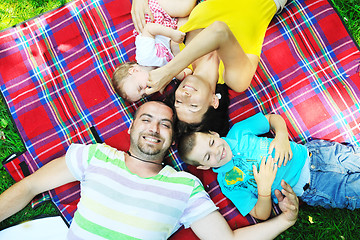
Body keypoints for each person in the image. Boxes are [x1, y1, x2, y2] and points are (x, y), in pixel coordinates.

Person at [0, 101, 299, 239]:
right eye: (146, 119)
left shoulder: (185, 187)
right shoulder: (95, 156)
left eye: (165, 124)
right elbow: (30, 187)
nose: (154, 128)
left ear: (171, 140)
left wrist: (286, 219)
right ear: (131, 127)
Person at [135, 0, 287, 133]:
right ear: (214, 101)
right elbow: (219, 32)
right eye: (193, 105)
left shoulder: (177, 46)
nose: (184, 96)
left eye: (179, 102)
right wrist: (168, 71)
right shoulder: (235, 80)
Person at [178, 112, 360, 221]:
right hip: (314, 188)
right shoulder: (228, 184)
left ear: (214, 133)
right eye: (208, 157)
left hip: (315, 154)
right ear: (203, 167)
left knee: (354, 158)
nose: (216, 151)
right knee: (354, 190)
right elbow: (260, 214)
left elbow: (273, 119)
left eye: (211, 143)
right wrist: (264, 189)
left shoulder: (238, 132)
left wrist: (281, 136)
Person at [111, 0, 195, 102]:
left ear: (134, 70)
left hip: (158, 14)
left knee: (184, 9)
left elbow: (149, 29)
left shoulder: (144, 57)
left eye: (140, 88)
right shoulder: (161, 74)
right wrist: (176, 73)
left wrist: (172, 34)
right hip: (174, 25)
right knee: (191, 22)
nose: (146, 91)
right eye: (143, 96)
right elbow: (189, 71)